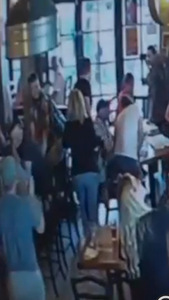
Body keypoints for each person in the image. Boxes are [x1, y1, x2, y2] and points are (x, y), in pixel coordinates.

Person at [120, 174, 169, 300]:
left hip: (139, 289)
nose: (140, 180)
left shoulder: (126, 228)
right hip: (161, 288)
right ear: (133, 192)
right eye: (136, 181)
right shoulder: (154, 219)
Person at [0, 157, 45, 300]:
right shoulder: (26, 204)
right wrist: (32, 196)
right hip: (32, 271)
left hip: (12, 277)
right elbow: (41, 228)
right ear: (17, 180)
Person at [64, 89, 103, 239]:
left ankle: (87, 247)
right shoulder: (87, 123)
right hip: (91, 171)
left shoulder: (68, 127)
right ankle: (98, 245)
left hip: (77, 173)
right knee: (93, 214)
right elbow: (94, 143)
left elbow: (65, 145)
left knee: (85, 217)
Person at [109, 96, 144, 179]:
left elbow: (115, 139)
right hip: (130, 159)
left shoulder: (118, 117)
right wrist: (137, 153)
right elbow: (141, 135)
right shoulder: (136, 109)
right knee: (138, 179)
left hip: (117, 158)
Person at [94, 99, 114, 164]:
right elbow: (105, 144)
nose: (109, 111)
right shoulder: (96, 126)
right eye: (107, 109)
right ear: (101, 110)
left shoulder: (105, 125)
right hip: (101, 162)